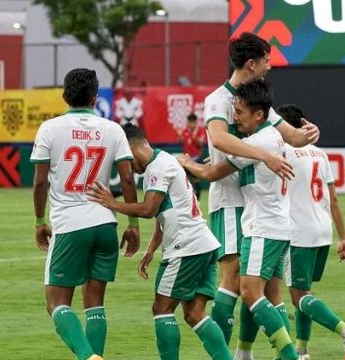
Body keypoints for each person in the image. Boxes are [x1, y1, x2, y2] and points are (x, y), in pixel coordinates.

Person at [203, 31, 320, 357]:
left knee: (267, 286)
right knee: (233, 278)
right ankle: (223, 355)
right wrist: (264, 155)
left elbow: (293, 138)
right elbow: (220, 140)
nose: (270, 65)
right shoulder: (218, 100)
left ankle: (246, 353)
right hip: (229, 200)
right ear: (251, 63)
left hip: (258, 205)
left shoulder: (257, 103)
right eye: (267, 59)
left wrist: (308, 134)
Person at [86, 123, 232, 360]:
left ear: (129, 149)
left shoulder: (157, 168)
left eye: (123, 159)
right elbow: (164, 211)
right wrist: (152, 248)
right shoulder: (166, 161)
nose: (126, 166)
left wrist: (111, 203)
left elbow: (148, 208)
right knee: (195, 313)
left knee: (162, 309)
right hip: (203, 244)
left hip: (186, 247)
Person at [180, 79, 299, 360]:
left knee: (248, 292)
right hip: (277, 225)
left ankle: (289, 354)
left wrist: (186, 163)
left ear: (259, 114)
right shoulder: (272, 137)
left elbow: (211, 174)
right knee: (269, 293)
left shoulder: (258, 142)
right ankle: (260, 353)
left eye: (240, 112)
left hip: (262, 226)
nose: (235, 117)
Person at [31, 68, 141, 360]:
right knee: (95, 304)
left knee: (56, 302)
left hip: (70, 224)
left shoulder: (50, 129)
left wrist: (40, 221)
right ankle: (96, 355)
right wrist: (132, 223)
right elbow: (128, 179)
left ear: (65, 95)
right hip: (105, 223)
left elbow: (40, 181)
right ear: (95, 97)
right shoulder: (113, 129)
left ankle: (87, 357)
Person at [277, 104, 345, 360]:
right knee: (304, 292)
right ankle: (302, 350)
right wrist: (344, 238)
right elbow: (333, 199)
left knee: (298, 295)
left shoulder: (283, 152)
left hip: (298, 232)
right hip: (322, 231)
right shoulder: (319, 154)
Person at [177, 113, 207, 199]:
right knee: (185, 179)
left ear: (196, 122)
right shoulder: (185, 131)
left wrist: (195, 137)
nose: (191, 124)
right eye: (190, 122)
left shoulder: (200, 131)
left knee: (197, 180)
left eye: (193, 122)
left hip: (196, 159)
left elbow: (201, 143)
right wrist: (180, 138)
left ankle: (198, 199)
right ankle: (187, 198)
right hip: (187, 159)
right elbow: (179, 142)